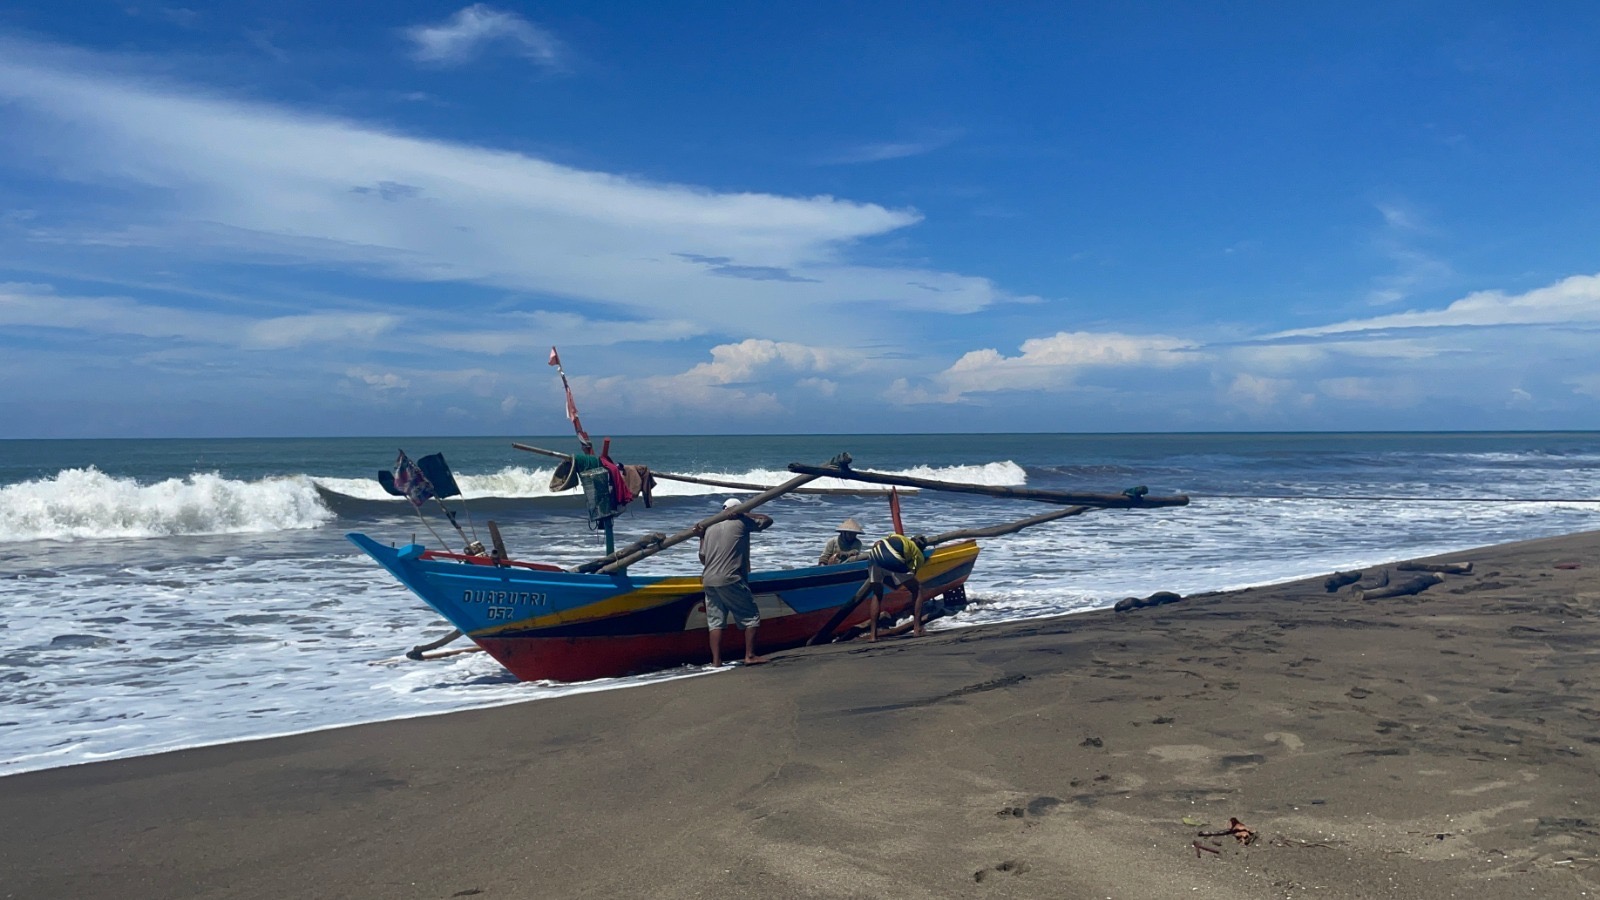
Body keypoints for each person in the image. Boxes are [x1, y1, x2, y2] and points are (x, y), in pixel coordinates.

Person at [697, 498, 775, 666]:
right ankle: (750, 656)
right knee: (751, 616)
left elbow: (703, 558)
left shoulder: (710, 527)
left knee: (716, 622)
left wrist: (701, 538)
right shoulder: (741, 521)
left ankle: (716, 661)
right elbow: (768, 521)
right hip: (730, 577)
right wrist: (745, 514)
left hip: (708, 579)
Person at [864, 533, 929, 642]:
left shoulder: (896, 536)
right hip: (891, 557)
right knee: (917, 589)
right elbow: (910, 574)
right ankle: (917, 629)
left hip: (873, 557)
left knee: (877, 595)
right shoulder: (919, 555)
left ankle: (873, 636)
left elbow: (877, 543)